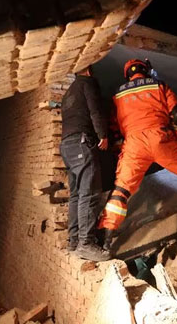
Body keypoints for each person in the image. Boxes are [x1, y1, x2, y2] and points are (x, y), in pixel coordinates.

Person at [97, 59, 177, 250]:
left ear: (127, 73)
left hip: (134, 144)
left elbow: (113, 128)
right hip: (161, 138)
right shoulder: (160, 86)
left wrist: (121, 146)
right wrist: (176, 137)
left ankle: (105, 238)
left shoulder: (118, 95)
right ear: (146, 70)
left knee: (121, 191)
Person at [60, 65, 110, 261]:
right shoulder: (87, 84)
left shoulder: (68, 93)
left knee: (76, 195)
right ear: (88, 70)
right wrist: (103, 135)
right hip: (81, 143)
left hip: (66, 146)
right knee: (89, 194)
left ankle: (73, 241)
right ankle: (86, 244)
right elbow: (95, 111)